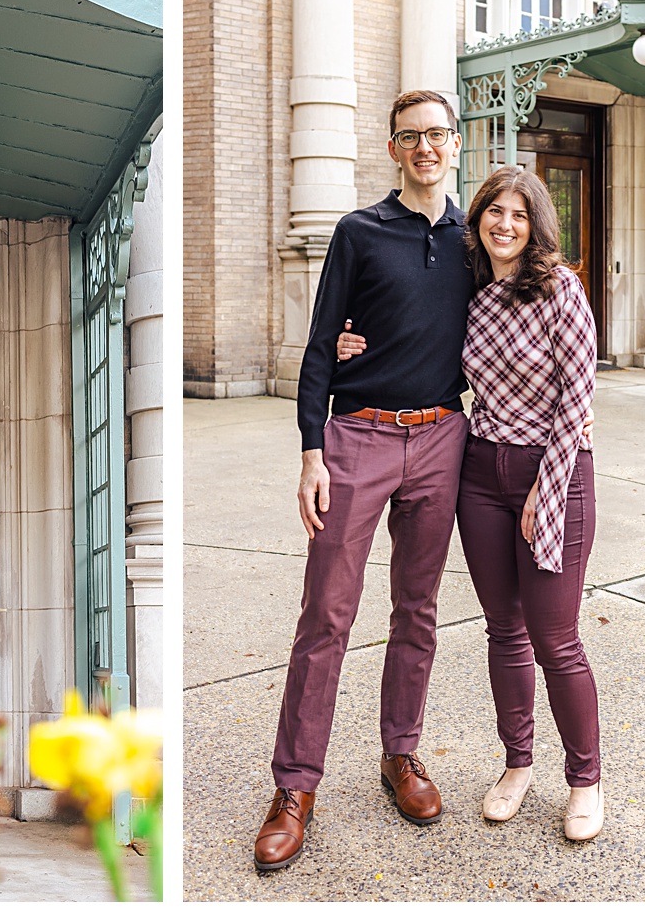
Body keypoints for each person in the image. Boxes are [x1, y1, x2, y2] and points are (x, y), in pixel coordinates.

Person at [337, 163, 603, 841]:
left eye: (518, 214)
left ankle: (585, 780)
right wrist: (347, 339)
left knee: (556, 638)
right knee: (504, 630)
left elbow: (578, 395)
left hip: (555, 472)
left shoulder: (562, 291)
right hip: (482, 471)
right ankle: (517, 765)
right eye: (494, 212)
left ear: (534, 223)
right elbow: (414, 336)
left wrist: (549, 483)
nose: (504, 224)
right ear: (477, 219)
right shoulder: (474, 295)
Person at [253, 89, 473, 873]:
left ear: (455, 144)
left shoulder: (475, 238)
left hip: (442, 435)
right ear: (392, 149)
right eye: (409, 137)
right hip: (358, 437)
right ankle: (295, 786)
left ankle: (400, 755)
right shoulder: (357, 231)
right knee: (327, 616)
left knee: (418, 610)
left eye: (437, 136)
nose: (424, 148)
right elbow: (320, 346)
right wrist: (312, 451)